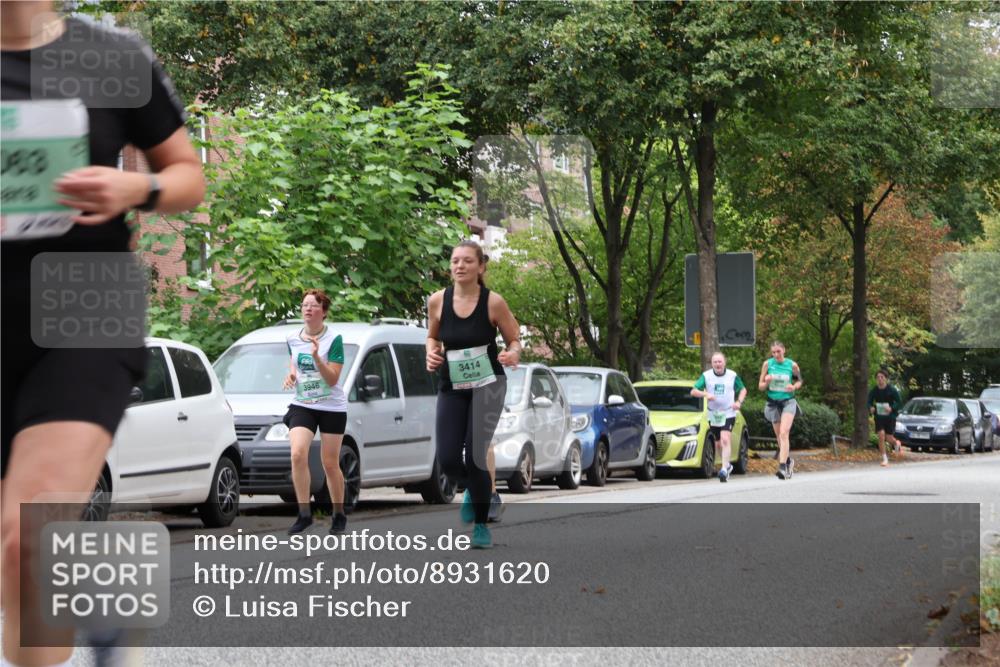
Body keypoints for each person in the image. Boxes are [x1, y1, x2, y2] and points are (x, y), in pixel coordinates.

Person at [1, 3, 205, 666]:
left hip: (84, 308)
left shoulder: (114, 56)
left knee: (25, 532)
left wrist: (134, 187)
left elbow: (187, 175)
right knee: (17, 562)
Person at [426, 240, 521, 548]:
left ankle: (481, 525)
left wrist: (512, 354)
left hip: (488, 385)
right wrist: (431, 353)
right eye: (455, 260)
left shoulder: (493, 302)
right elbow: (432, 336)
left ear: (481, 267)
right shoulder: (438, 301)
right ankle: (477, 491)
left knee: (476, 454)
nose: (460, 265)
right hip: (452, 386)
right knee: (449, 458)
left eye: (468, 261)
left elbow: (514, 339)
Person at [282, 289, 348, 535]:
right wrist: (290, 374)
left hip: (331, 405)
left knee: (330, 463)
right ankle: (304, 514)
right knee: (298, 454)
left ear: (323, 311)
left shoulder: (334, 339)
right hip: (303, 404)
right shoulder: (292, 337)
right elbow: (294, 364)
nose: (307, 309)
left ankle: (339, 513)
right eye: (304, 305)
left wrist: (317, 358)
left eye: (313, 305)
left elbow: (332, 379)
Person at [691, 352, 747, 483]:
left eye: (720, 361)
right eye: (715, 362)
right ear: (712, 364)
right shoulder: (706, 376)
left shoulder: (732, 375)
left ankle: (723, 470)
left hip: (728, 412)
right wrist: (705, 394)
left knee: (725, 439)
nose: (718, 364)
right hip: (714, 413)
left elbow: (743, 390)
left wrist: (739, 402)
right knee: (718, 444)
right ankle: (727, 465)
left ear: (724, 362)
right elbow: (693, 391)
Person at [758, 340, 803, 480]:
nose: (776, 354)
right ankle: (789, 461)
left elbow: (800, 380)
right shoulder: (767, 364)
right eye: (773, 352)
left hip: (788, 402)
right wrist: (766, 381)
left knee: (784, 433)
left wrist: (794, 387)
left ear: (784, 350)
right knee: (779, 436)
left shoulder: (792, 365)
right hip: (773, 403)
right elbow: (760, 387)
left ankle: (782, 467)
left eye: (778, 351)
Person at [868, 368, 903, 466]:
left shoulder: (892, 390)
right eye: (878, 377)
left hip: (890, 417)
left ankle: (896, 444)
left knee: (889, 438)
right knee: (881, 436)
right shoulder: (874, 390)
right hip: (879, 417)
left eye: (882, 377)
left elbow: (899, 402)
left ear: (886, 379)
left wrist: (892, 408)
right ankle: (884, 459)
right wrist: (870, 407)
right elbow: (869, 401)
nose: (880, 379)